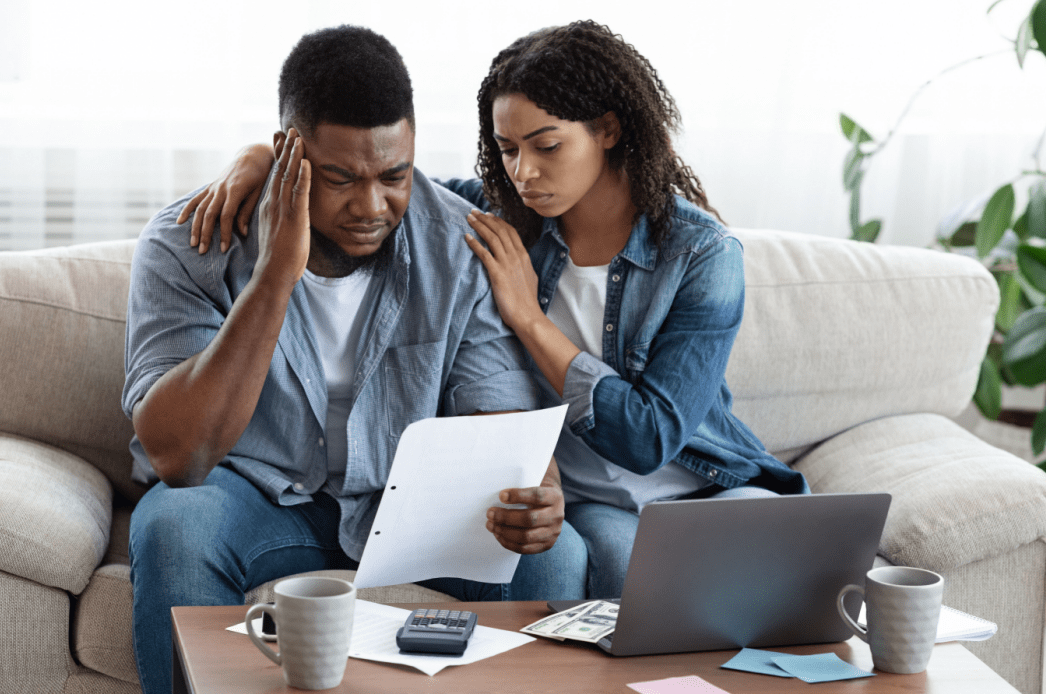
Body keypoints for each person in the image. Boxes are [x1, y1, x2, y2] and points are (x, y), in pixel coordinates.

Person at [182, 21, 807, 604]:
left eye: (547, 146)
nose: (525, 172)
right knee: (623, 568)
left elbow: (646, 439)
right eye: (507, 149)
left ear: (610, 130)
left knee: (786, 569)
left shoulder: (702, 255)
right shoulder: (503, 216)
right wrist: (263, 162)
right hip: (581, 499)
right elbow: (382, 187)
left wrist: (529, 320)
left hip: (697, 478)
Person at [124, 26, 585, 694]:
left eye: (394, 177)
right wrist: (277, 272)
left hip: (411, 516)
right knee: (174, 527)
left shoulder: (458, 247)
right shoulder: (191, 242)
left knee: (557, 555)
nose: (372, 207)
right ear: (288, 153)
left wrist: (534, 492)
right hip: (253, 501)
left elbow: (501, 428)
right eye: (341, 179)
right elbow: (178, 456)